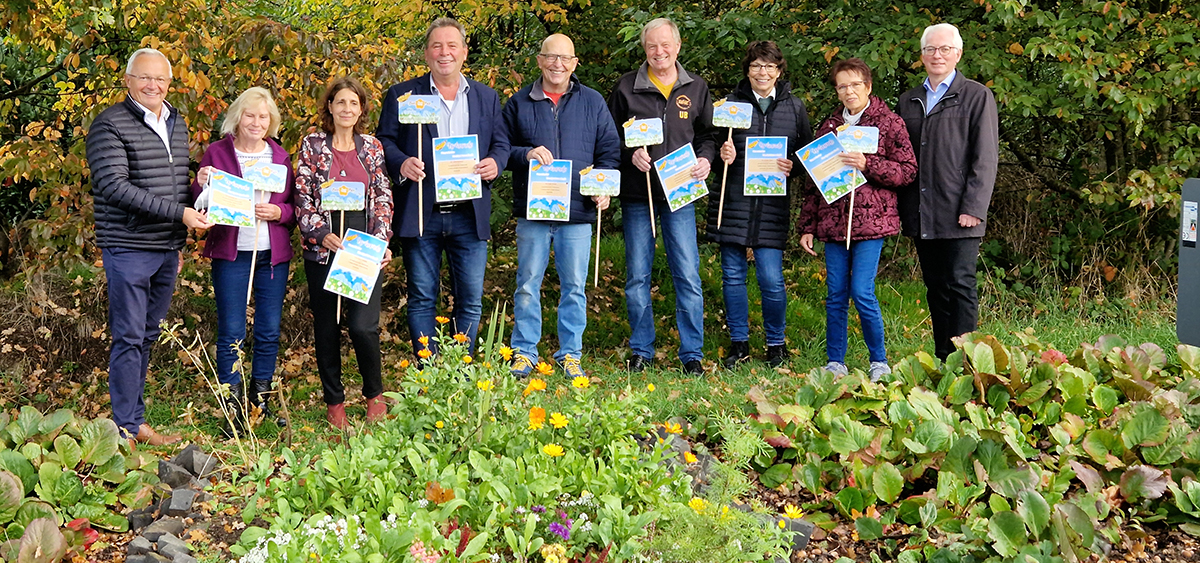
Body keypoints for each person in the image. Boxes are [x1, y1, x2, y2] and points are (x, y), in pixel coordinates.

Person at [86, 47, 214, 446]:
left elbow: (168, 172)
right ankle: (126, 427)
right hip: (127, 246)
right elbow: (115, 186)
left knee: (147, 334)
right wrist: (181, 214)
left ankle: (134, 421)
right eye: (144, 77)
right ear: (128, 81)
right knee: (128, 335)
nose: (152, 85)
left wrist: (201, 173)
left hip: (164, 248)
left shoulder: (175, 121)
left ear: (170, 83)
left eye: (160, 79)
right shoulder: (109, 125)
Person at [377, 17, 509, 358]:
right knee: (422, 297)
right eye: (437, 46)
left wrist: (496, 162)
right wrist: (401, 162)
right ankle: (429, 369)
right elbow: (384, 141)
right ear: (426, 53)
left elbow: (501, 144)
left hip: (469, 212)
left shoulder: (486, 96)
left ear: (464, 52)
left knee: (470, 299)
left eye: (452, 46)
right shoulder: (403, 95)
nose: (444, 52)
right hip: (422, 210)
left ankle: (459, 369)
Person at [501, 33, 622, 378]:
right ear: (539, 60)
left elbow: (610, 153)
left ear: (574, 64)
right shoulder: (519, 103)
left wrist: (605, 188)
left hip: (578, 212)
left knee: (574, 288)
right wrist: (525, 154)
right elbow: (500, 150)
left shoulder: (593, 102)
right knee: (527, 284)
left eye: (564, 58)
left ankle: (570, 353)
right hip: (534, 213)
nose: (557, 64)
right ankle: (524, 351)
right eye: (550, 57)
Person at [798, 58, 917, 381]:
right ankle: (835, 361)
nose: (849, 91)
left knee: (862, 291)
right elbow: (814, 182)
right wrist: (807, 226)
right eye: (842, 86)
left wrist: (869, 164)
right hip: (834, 224)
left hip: (872, 224)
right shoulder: (829, 127)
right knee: (836, 292)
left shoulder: (889, 123)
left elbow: (907, 171)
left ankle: (879, 360)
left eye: (855, 84)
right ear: (837, 91)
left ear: (868, 86)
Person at [608, 17, 715, 375]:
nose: (659, 51)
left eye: (665, 44)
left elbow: (708, 136)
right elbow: (609, 139)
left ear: (678, 47)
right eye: (652, 45)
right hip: (640, 196)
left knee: (687, 273)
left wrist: (706, 159)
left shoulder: (697, 87)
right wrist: (630, 154)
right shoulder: (626, 88)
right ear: (644, 48)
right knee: (637, 276)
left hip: (681, 194)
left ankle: (692, 355)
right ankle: (641, 349)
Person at [192, 87, 296, 434]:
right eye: (250, 115)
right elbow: (200, 204)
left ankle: (259, 402)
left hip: (272, 255)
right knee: (232, 330)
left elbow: (295, 207)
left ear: (272, 121)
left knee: (268, 330)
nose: (256, 122)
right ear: (238, 117)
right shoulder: (217, 153)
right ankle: (232, 407)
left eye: (263, 116)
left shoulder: (279, 158)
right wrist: (200, 181)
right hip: (232, 251)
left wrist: (278, 211)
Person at [896, 23, 999, 360]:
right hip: (923, 209)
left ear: (958, 53)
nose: (936, 55)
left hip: (961, 211)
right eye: (930, 49)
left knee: (960, 284)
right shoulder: (908, 100)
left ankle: (968, 360)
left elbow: (985, 158)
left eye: (944, 49)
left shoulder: (976, 95)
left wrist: (974, 206)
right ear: (922, 55)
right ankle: (943, 358)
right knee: (936, 287)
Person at [295, 76, 393, 429]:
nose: (347, 109)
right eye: (341, 102)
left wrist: (380, 241)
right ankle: (334, 402)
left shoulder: (372, 147)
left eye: (354, 103)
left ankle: (374, 395)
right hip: (324, 250)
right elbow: (303, 195)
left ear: (362, 109)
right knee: (328, 326)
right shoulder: (312, 145)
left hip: (362, 249)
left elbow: (382, 196)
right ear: (330, 107)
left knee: (363, 326)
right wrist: (321, 234)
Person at [708, 41, 812, 368]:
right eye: (756, 66)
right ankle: (739, 344)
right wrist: (721, 155)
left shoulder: (794, 108)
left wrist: (792, 164)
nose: (762, 72)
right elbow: (710, 143)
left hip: (772, 207)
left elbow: (807, 153)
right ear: (747, 70)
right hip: (733, 202)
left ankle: (775, 345)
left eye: (769, 66)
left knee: (771, 278)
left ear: (779, 71)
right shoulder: (728, 106)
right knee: (733, 277)